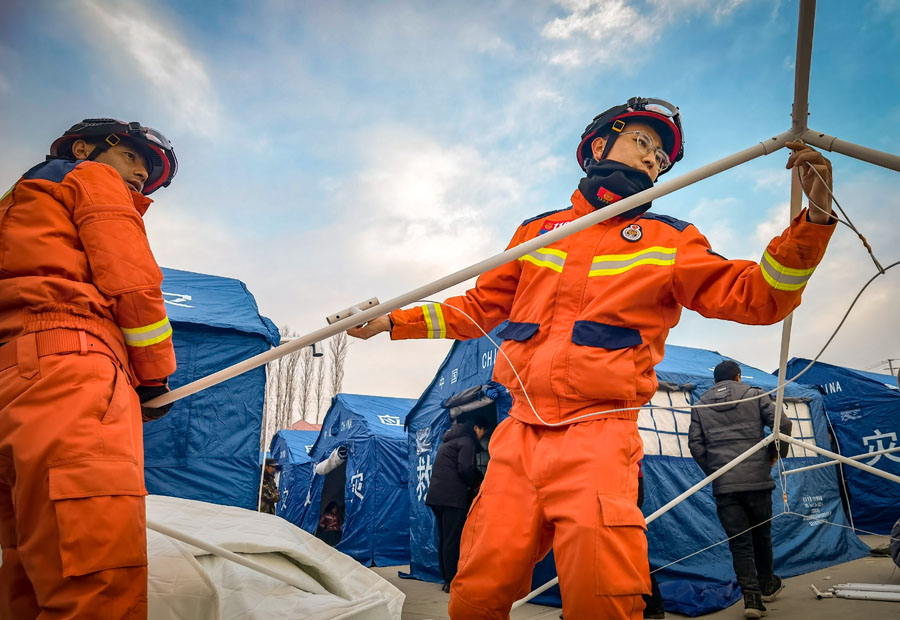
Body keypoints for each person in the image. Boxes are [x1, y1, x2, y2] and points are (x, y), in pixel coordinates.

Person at [349, 97, 835, 619]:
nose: (653, 161)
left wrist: (816, 217)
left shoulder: (671, 239)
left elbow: (758, 296)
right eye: (643, 144)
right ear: (598, 145)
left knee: (602, 597)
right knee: (477, 589)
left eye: (661, 159)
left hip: (600, 435)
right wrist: (391, 322)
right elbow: (477, 311)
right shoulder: (537, 233)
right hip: (516, 437)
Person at [0, 118, 178, 619]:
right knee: (97, 579)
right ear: (85, 148)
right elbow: (131, 279)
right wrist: (153, 376)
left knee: (27, 575)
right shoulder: (91, 179)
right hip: (73, 368)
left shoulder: (18, 204)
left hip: (13, 377)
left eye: (149, 170)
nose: (142, 172)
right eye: (132, 157)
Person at [688, 360, 792, 618]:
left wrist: (716, 472)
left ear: (715, 382)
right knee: (762, 535)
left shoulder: (700, 406)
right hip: (757, 480)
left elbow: (695, 445)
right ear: (738, 377)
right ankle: (767, 583)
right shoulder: (756, 395)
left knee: (739, 543)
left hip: (726, 486)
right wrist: (773, 456)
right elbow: (784, 425)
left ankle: (752, 601)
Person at [425, 417, 488, 593]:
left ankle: (446, 577)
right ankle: (452, 581)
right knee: (453, 539)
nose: (483, 437)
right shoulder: (467, 441)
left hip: (437, 497)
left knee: (445, 538)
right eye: (484, 432)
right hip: (452, 497)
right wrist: (481, 481)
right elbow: (465, 468)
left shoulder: (450, 441)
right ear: (477, 427)